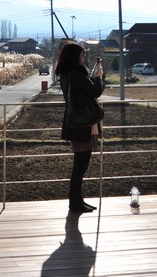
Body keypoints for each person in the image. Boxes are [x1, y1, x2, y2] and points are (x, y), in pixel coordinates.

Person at [55, 42, 104, 213]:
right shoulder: (76, 74)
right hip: (82, 125)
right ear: (75, 57)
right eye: (81, 55)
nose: (83, 58)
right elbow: (95, 92)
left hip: (74, 124)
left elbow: (82, 93)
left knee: (80, 166)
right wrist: (98, 77)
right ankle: (75, 203)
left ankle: (78, 201)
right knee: (80, 167)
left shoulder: (66, 74)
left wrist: (91, 78)